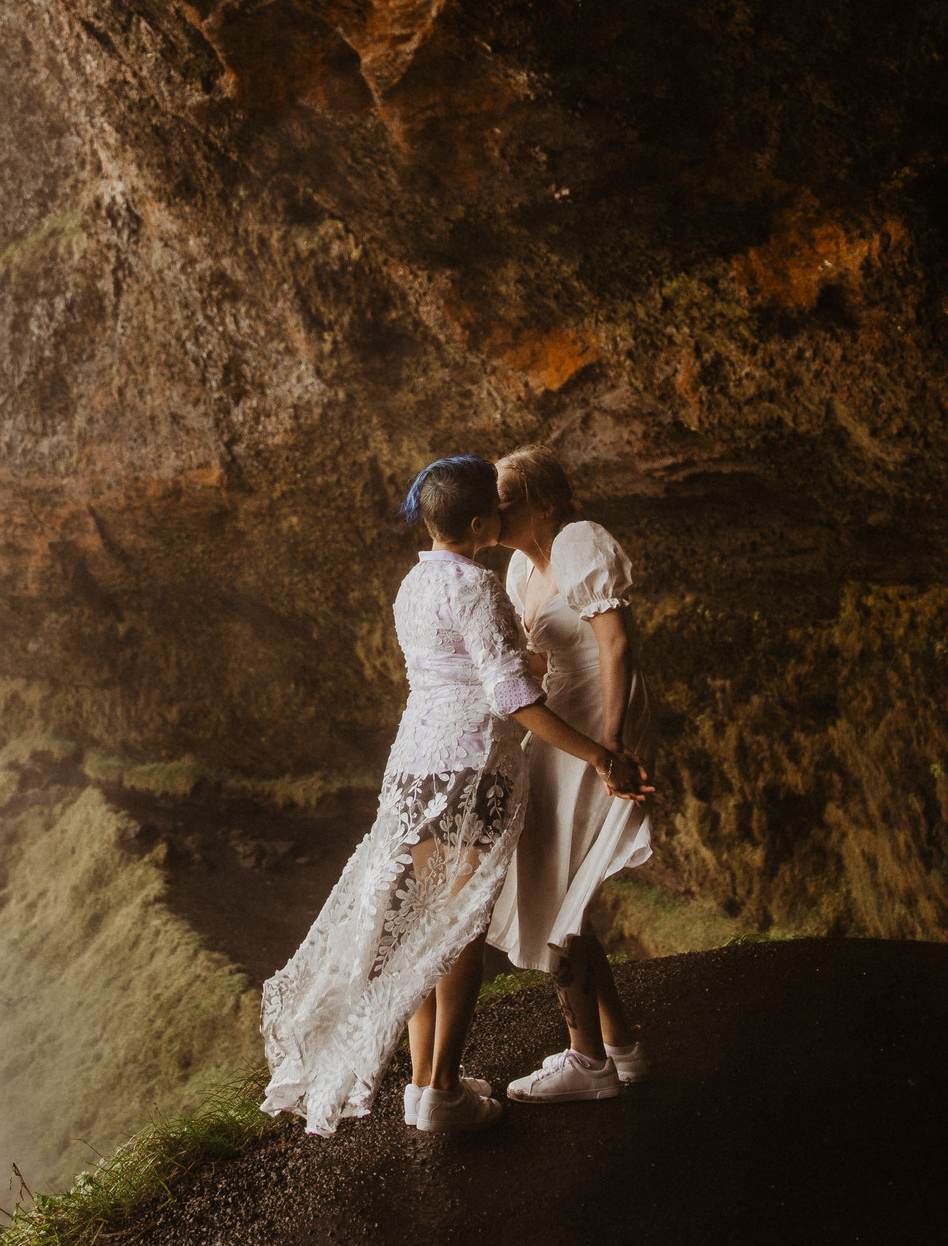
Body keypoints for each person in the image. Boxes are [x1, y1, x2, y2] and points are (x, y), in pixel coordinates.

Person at [261, 453, 652, 1139]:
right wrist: (596, 751)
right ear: (477, 521)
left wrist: (580, 715)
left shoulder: (415, 581)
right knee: (456, 926)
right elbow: (505, 688)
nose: (500, 515)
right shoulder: (480, 583)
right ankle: (440, 1092)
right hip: (473, 766)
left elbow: (490, 665)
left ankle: (429, 1085)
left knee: (425, 920)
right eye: (492, 506)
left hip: (418, 764)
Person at [489, 445, 655, 1104]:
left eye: (506, 498)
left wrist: (610, 740)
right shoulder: (515, 570)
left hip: (600, 714)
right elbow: (534, 660)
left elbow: (614, 642)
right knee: (562, 888)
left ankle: (586, 1061)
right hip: (563, 723)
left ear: (545, 501)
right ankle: (619, 1049)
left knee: (561, 889)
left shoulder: (579, 541)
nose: (493, 509)